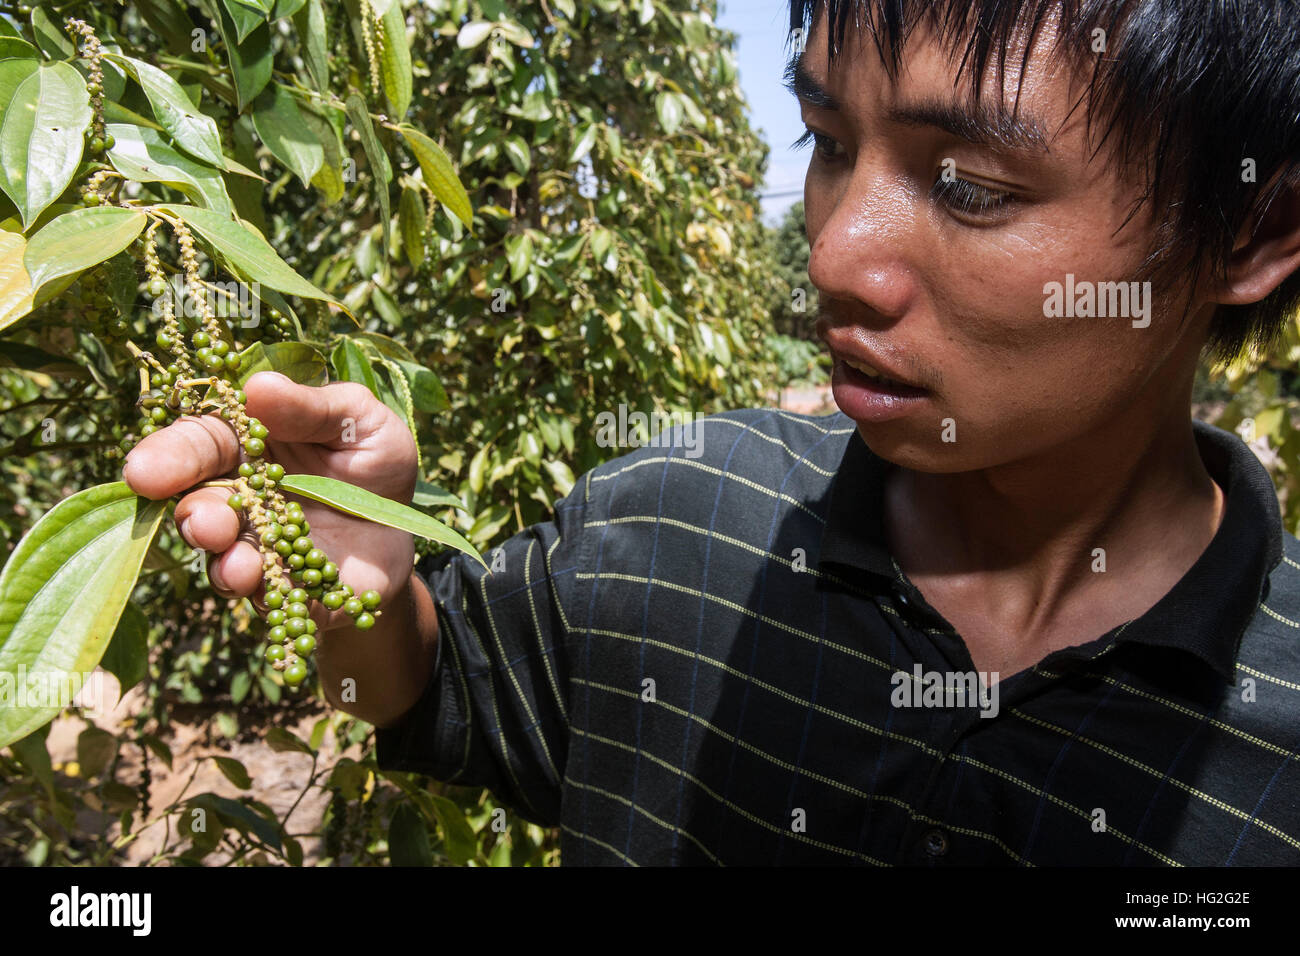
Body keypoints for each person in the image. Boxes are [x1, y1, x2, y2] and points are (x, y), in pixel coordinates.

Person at [123, 0, 1300, 865]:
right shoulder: (680, 511)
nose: (833, 253)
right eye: (827, 141)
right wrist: (362, 603)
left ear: (1251, 230)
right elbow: (437, 692)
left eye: (969, 188)